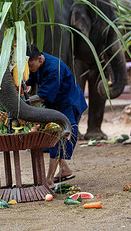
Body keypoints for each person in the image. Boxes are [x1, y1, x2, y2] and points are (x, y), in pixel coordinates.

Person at [26, 45, 88, 188]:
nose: (29, 68)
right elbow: (29, 79)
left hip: (68, 104)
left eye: (30, 65)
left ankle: (49, 180)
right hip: (55, 105)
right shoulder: (37, 64)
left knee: (58, 139)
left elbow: (42, 96)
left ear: (40, 59)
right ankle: (64, 169)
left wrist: (24, 103)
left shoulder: (54, 68)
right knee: (52, 138)